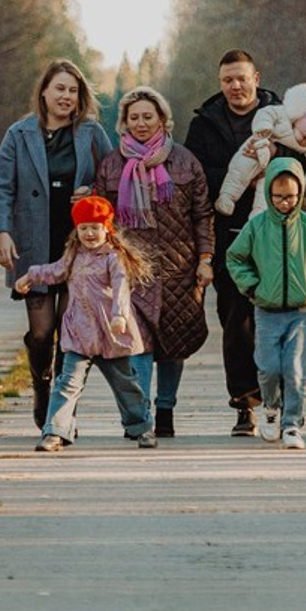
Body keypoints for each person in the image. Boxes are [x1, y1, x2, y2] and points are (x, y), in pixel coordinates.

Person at [0, 59, 114, 428]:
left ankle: (62, 405)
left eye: (73, 91)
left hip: (80, 244)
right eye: (59, 88)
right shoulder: (19, 133)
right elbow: (1, 186)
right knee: (43, 332)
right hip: (34, 242)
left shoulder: (91, 133)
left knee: (71, 332)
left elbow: (112, 178)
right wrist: (2, 232)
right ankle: (41, 387)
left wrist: (92, 194)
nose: (66, 96)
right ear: (44, 91)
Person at [183, 49, 296, 435]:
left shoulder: (284, 116)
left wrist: (272, 173)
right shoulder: (204, 124)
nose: (235, 86)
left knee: (277, 318)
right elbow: (194, 177)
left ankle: (281, 401)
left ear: (256, 78)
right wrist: (241, 172)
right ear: (220, 84)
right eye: (227, 80)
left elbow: (302, 161)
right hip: (228, 233)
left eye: (241, 78)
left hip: (278, 232)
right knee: (235, 320)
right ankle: (245, 403)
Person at [94, 85, 213, 437]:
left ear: (162, 118)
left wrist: (205, 259)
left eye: (148, 116)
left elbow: (202, 214)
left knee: (175, 343)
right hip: (132, 268)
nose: (141, 123)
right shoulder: (112, 164)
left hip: (180, 268)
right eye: (134, 118)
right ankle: (141, 414)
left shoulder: (186, 161)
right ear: (124, 122)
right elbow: (104, 219)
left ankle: (165, 410)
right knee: (138, 343)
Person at [15, 195, 157, 452]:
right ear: (76, 230)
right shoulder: (73, 255)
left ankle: (142, 427)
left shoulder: (113, 258)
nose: (89, 233)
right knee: (67, 383)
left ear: (107, 228)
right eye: (83, 228)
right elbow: (56, 271)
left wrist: (120, 316)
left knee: (126, 385)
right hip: (79, 332)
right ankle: (55, 432)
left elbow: (122, 288)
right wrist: (30, 275)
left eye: (95, 227)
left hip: (111, 334)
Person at [226, 158, 306, 449]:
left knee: (295, 370)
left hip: (299, 312)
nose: (285, 202)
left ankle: (292, 424)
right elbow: (235, 257)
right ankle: (271, 408)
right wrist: (251, 285)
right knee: (268, 367)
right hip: (266, 310)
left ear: (300, 194)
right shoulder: (257, 226)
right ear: (268, 195)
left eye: (291, 196)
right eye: (278, 196)